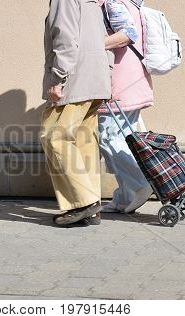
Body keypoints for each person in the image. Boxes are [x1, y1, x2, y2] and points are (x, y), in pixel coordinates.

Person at [40, 0, 113, 226]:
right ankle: (92, 207)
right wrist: (106, 74)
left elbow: (65, 39)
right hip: (95, 79)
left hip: (76, 79)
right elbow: (103, 41)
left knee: (54, 136)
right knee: (84, 142)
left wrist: (58, 78)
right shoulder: (91, 2)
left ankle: (83, 202)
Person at [98, 0, 153, 214]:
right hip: (133, 79)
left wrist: (91, 45)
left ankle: (140, 183)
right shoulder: (130, 2)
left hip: (121, 81)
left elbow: (128, 33)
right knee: (124, 136)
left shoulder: (113, 2)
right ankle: (124, 196)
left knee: (108, 136)